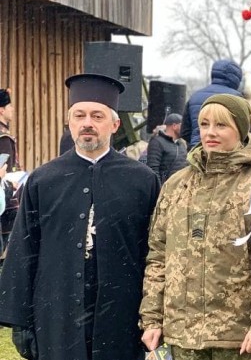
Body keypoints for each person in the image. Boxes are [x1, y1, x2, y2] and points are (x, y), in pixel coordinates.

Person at [0, 73, 161, 360]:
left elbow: (156, 253)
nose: (87, 123)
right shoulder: (43, 180)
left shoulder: (143, 180)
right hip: (56, 312)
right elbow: (24, 249)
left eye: (97, 116)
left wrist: (154, 316)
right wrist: (19, 320)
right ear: (70, 122)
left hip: (121, 314)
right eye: (80, 115)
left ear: (114, 124)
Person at [140, 94, 251, 359]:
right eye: (204, 124)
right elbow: (158, 255)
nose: (210, 133)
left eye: (221, 125)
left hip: (236, 338)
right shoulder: (176, 185)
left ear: (240, 129)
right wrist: (151, 317)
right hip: (183, 336)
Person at [181, 59, 243, 148]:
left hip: (196, 151)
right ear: (237, 78)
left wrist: (197, 140)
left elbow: (185, 132)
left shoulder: (195, 96)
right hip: (226, 152)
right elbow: (244, 131)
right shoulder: (237, 98)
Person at [0, 88, 21, 257]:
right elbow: (5, 170)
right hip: (6, 203)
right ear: (1, 110)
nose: (13, 109)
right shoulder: (3, 137)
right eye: (10, 106)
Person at [145, 113, 189, 184]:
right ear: (174, 126)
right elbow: (153, 169)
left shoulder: (182, 144)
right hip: (165, 189)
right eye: (182, 125)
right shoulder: (157, 142)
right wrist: (159, 190)